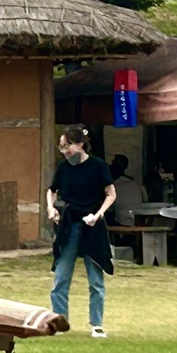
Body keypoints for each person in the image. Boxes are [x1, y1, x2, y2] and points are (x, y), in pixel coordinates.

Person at [47, 125, 116, 338]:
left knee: (95, 279)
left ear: (80, 145)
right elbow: (52, 190)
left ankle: (96, 324)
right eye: (61, 147)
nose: (65, 151)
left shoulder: (98, 166)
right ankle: (59, 321)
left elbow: (111, 194)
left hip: (92, 225)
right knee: (61, 276)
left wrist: (99, 214)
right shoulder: (64, 168)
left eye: (67, 146)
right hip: (69, 225)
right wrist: (51, 207)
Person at [106, 154, 146, 226]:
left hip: (122, 222)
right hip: (137, 221)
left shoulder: (115, 187)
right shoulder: (136, 184)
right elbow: (145, 200)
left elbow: (109, 209)